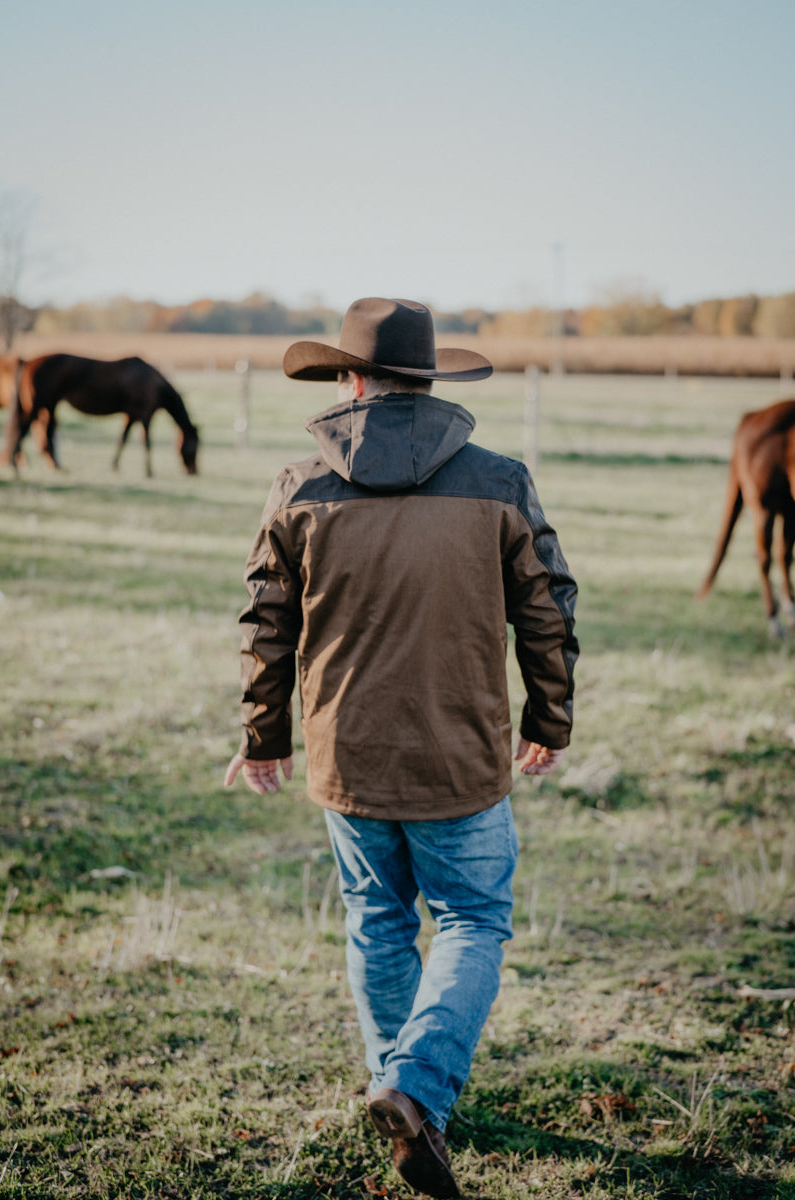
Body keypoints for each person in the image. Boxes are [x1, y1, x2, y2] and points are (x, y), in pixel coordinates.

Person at [224, 297, 578, 1199]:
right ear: (426, 381)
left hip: (347, 754)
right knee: (472, 920)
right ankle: (413, 1091)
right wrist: (549, 719)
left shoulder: (299, 486)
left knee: (378, 922)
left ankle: (401, 1087)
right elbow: (548, 607)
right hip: (460, 754)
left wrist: (262, 737)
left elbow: (266, 623)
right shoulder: (500, 481)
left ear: (350, 380)